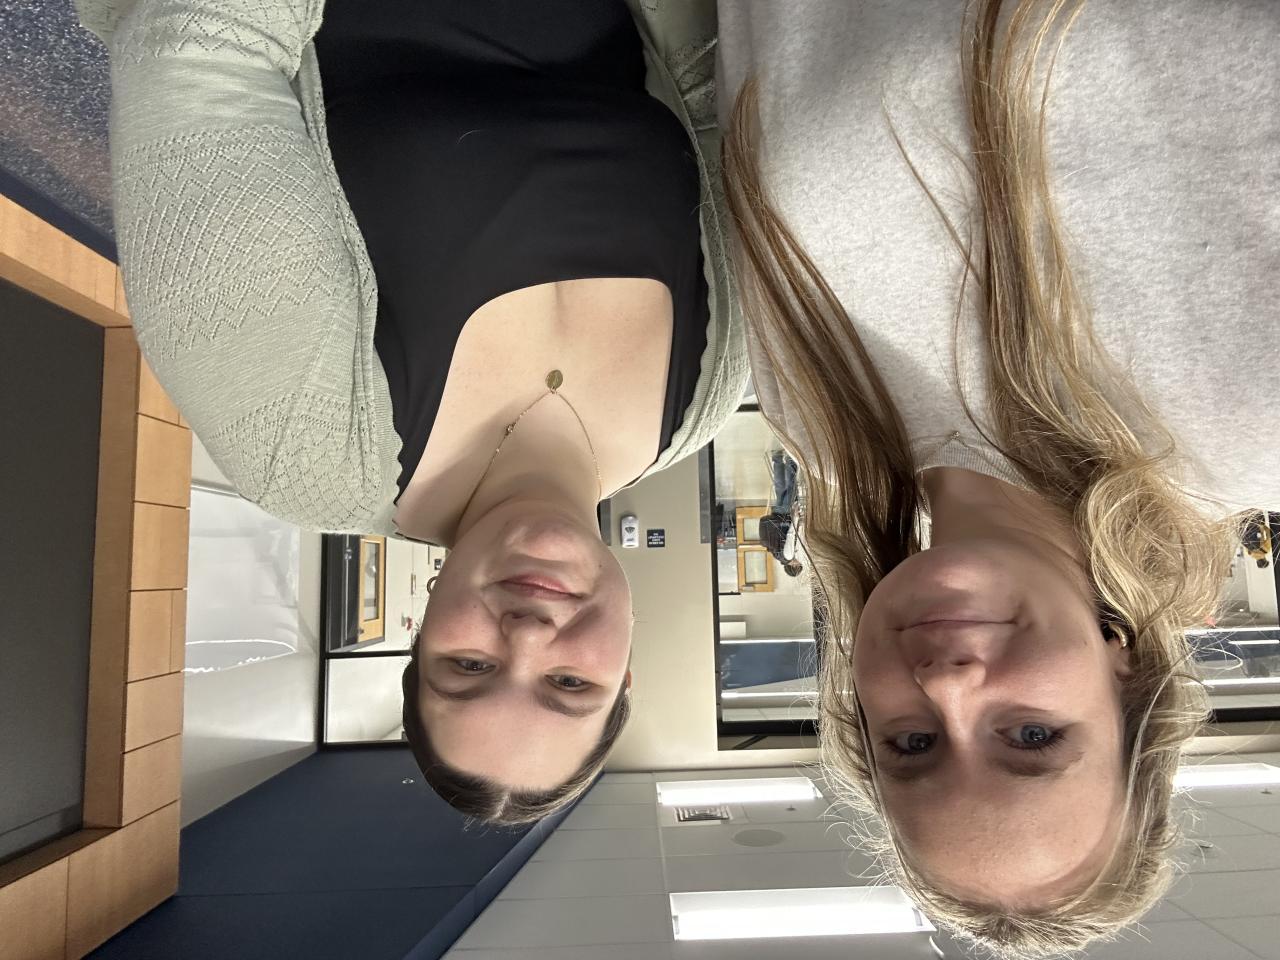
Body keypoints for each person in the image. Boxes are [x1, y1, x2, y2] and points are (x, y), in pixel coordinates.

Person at [75, 0, 746, 824]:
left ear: (421, 632)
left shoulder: (305, 448)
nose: (528, 635)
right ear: (626, 672)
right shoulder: (705, 395)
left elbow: (197, 44)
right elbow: (707, 98)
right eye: (570, 683)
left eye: (469, 668)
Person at [718, 0, 1278, 954]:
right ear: (1126, 673)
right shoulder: (1251, 413)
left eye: (912, 744)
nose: (947, 687)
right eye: (1031, 738)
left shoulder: (811, 404)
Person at [760, 450, 803, 576]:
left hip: (785, 515)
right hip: (777, 516)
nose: (799, 562)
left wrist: (795, 517)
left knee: (791, 488)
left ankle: (790, 459)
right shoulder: (780, 557)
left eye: (799, 565)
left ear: (794, 566)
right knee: (780, 488)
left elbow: (790, 534)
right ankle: (777, 458)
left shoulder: (788, 555)